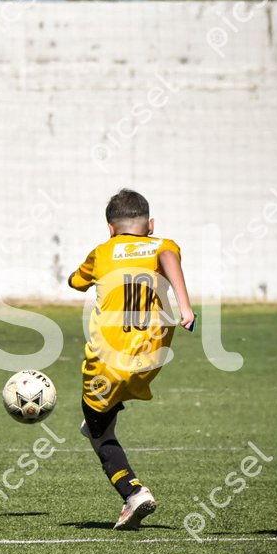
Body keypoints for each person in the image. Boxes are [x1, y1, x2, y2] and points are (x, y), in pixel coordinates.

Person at [68, 188, 195, 530]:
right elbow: (168, 257)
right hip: (152, 358)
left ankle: (133, 493)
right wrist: (185, 307)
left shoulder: (101, 252)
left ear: (111, 228)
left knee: (96, 431)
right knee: (104, 410)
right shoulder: (163, 245)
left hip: (107, 363)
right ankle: (102, 417)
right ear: (150, 225)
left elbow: (75, 282)